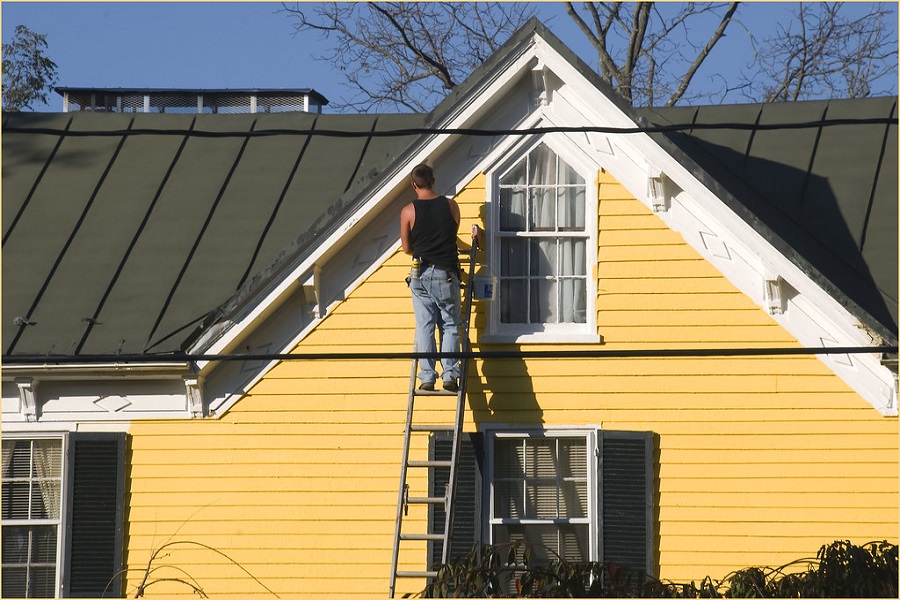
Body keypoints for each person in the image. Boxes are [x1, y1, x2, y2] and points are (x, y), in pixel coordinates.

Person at [400, 163, 463, 393]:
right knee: (450, 325)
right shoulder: (451, 206)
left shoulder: (408, 211)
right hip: (445, 274)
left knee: (425, 326)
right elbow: (450, 236)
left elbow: (407, 248)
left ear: (414, 185)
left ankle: (427, 378)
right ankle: (449, 376)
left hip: (420, 274)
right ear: (433, 181)